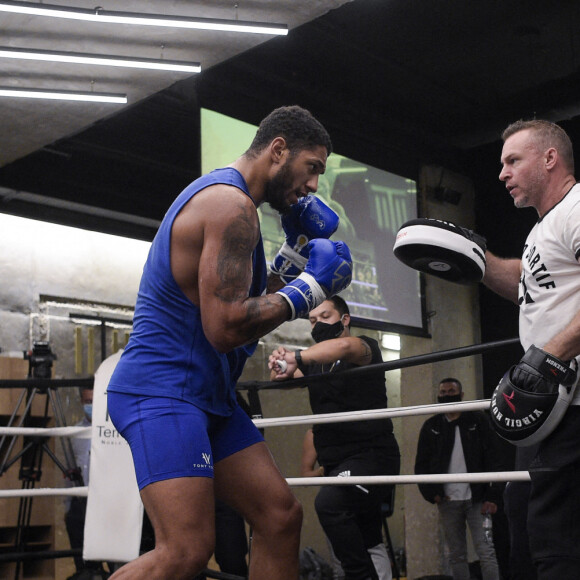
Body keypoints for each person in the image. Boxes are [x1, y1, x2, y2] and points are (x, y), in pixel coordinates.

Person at [105, 105, 353, 580]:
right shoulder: (229, 205)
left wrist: (292, 257)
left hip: (208, 396)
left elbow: (239, 303)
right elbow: (226, 327)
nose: (314, 186)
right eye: (313, 168)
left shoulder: (239, 207)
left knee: (280, 517)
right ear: (278, 150)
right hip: (162, 392)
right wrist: (312, 289)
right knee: (185, 550)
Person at [482, 119, 580, 579]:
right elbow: (525, 280)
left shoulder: (577, 207)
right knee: (521, 515)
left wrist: (548, 357)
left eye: (512, 161)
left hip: (572, 398)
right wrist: (473, 260)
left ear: (550, 158)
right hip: (553, 405)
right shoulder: (543, 229)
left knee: (554, 537)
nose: (502, 173)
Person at [270, 296, 400, 580]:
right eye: (313, 320)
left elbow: (342, 346)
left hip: (371, 457)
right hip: (336, 462)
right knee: (368, 536)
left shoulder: (365, 347)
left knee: (330, 504)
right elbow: (290, 376)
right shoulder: (316, 365)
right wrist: (281, 366)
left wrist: (298, 356)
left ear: (345, 319)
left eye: (325, 316)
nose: (317, 324)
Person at [414, 378, 501, 580]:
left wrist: (493, 495)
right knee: (456, 555)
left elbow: (495, 457)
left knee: (486, 551)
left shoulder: (478, 421)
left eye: (451, 391)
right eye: (443, 392)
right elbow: (421, 465)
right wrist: (431, 493)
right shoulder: (431, 426)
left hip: (478, 500)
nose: (446, 395)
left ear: (462, 395)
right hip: (447, 501)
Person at [301, 429, 393, 580]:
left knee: (373, 544)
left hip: (361, 487)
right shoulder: (314, 433)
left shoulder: (359, 425)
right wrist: (326, 471)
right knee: (341, 555)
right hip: (336, 495)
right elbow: (305, 475)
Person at [64, 387, 109, 580]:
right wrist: (67, 506)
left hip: (107, 503)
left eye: (94, 400)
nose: (90, 405)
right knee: (84, 567)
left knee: (115, 561)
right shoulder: (75, 433)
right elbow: (69, 471)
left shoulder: (113, 430)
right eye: (87, 401)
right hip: (80, 503)